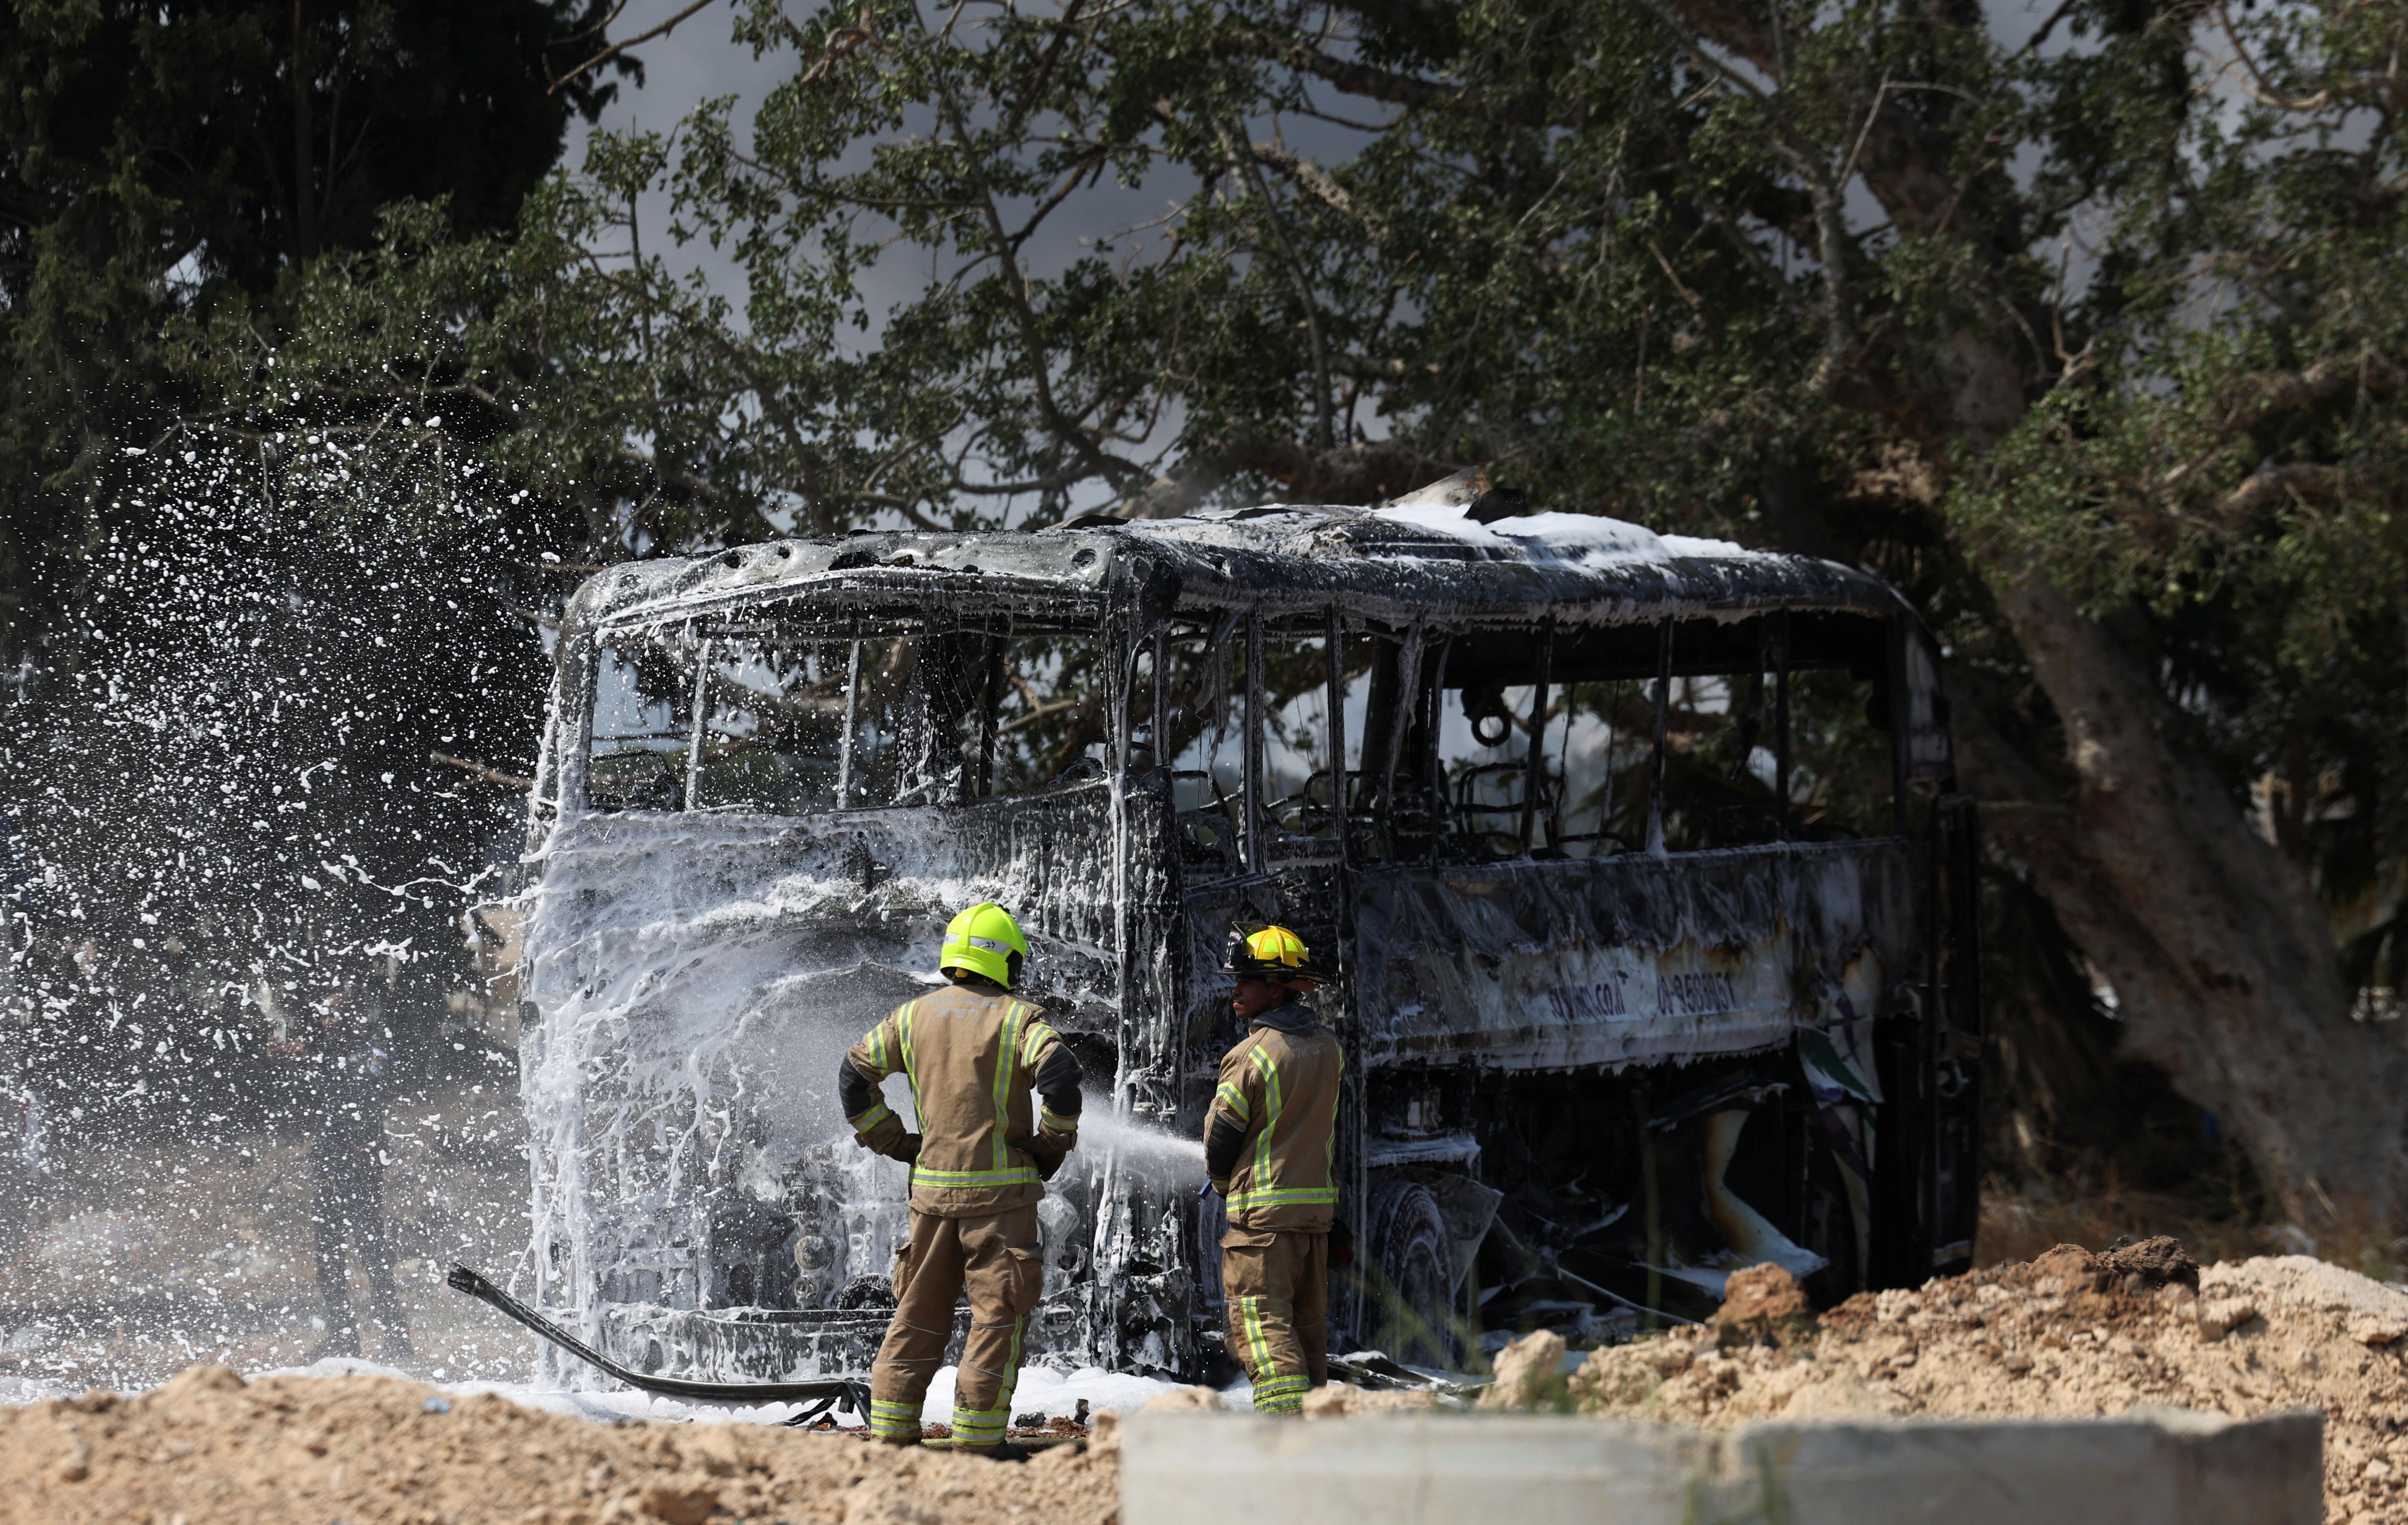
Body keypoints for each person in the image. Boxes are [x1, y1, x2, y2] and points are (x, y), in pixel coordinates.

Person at [839, 902, 1082, 1455]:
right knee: (997, 1320)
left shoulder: (910, 1017)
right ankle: (977, 1447)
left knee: (917, 1315)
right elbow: (1062, 1077)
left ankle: (892, 1438)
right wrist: (1050, 1145)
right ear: (1005, 960)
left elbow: (854, 1075)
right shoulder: (1020, 1018)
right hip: (999, 1203)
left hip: (930, 1199)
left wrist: (895, 1141)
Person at [1203, 923, 1342, 1415]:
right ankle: (1319, 1439)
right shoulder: (1328, 1048)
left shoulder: (1250, 1055)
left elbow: (1221, 1140)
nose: (1235, 988)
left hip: (1260, 1224)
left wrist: (1223, 1184)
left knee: (1263, 1330)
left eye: (1247, 979)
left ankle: (1285, 1437)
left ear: (1277, 989)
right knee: (1307, 1336)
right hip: (1313, 1220)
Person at [274, 973, 412, 1362]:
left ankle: (397, 1335)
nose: (326, 1019)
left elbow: (367, 1084)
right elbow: (303, 1102)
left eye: (334, 1011)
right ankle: (343, 1336)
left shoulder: (371, 1047)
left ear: (351, 1011)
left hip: (361, 1160)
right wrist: (288, 1063)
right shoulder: (320, 1050)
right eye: (322, 1012)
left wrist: (317, 1058)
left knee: (372, 1252)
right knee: (328, 1255)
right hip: (329, 1161)